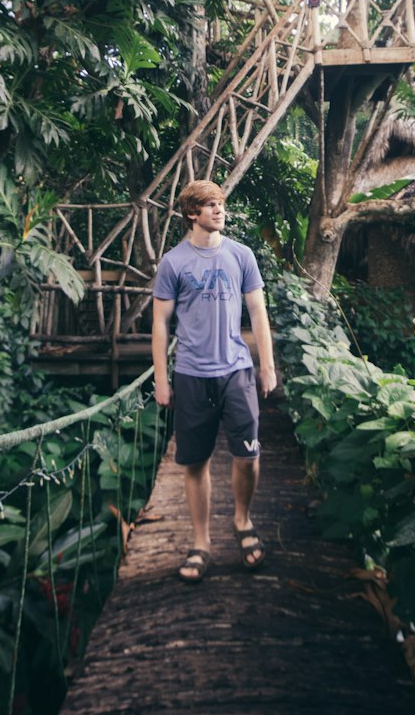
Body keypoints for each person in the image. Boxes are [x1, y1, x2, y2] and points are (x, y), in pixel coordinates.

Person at [151, 179, 277, 582]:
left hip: (236, 371)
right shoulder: (174, 262)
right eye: (210, 205)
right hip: (190, 374)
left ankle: (242, 520)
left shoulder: (241, 255)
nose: (219, 210)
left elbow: (258, 314)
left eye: (221, 203)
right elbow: (160, 322)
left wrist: (267, 365)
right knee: (195, 462)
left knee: (249, 456)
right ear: (192, 214)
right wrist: (160, 378)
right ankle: (201, 542)